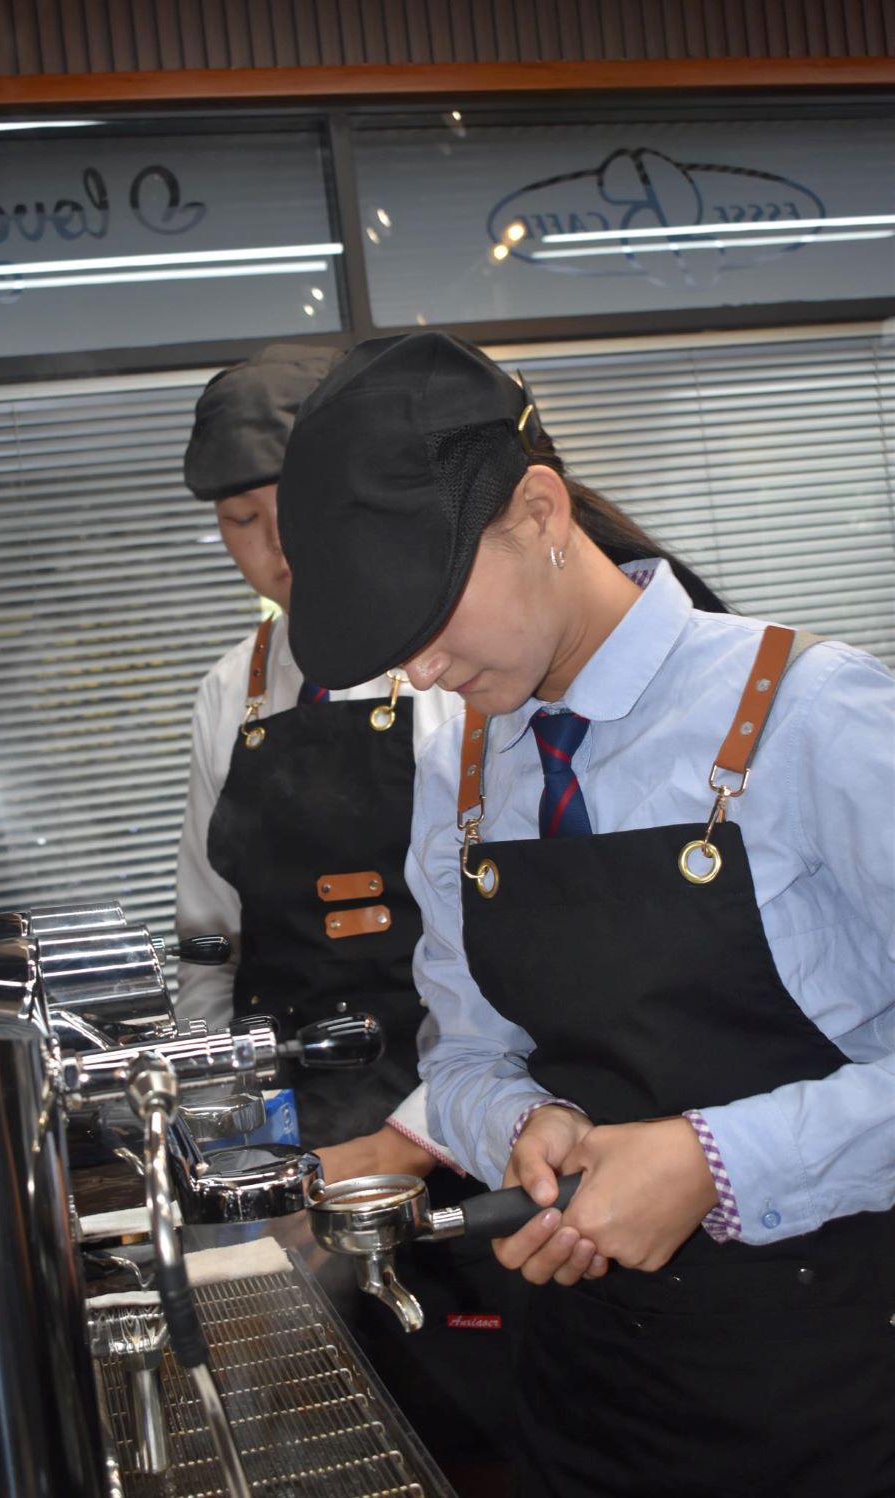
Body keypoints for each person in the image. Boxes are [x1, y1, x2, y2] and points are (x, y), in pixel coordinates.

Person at [277, 329, 895, 1498]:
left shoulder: (812, 716)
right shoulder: (460, 770)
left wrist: (714, 1160)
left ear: (541, 510)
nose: (421, 671)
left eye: (429, 612)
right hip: (591, 1399)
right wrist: (522, 1124)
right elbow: (462, 1056)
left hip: (840, 1390)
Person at [176, 344, 518, 1490]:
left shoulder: (446, 665)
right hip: (304, 1136)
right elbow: (209, 943)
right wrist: (230, 1137)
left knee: (482, 1426)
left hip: (463, 1126)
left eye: (290, 510)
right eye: (239, 521)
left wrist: (415, 1135)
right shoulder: (232, 689)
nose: (273, 550)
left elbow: (506, 948)